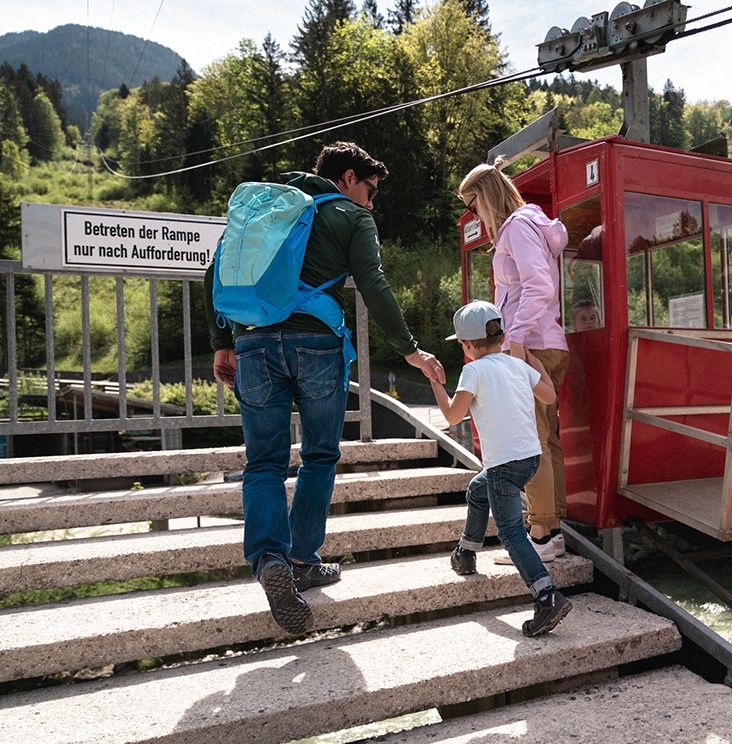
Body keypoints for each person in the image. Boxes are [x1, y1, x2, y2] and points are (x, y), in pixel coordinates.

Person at [204, 141, 445, 635]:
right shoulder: (350, 218)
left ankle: (269, 560)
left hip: (253, 344)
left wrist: (222, 344)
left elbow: (214, 271)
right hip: (316, 345)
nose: (371, 201)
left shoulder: (264, 209)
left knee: (264, 460)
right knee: (318, 454)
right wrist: (410, 350)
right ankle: (301, 560)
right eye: (370, 190)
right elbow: (373, 286)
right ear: (348, 177)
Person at [433, 300, 572, 637]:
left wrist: (435, 382)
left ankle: (546, 595)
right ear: (503, 335)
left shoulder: (474, 371)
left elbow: (452, 417)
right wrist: (532, 362)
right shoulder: (516, 366)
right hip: (530, 459)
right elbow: (550, 397)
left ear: (466, 346)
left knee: (511, 533)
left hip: (504, 467)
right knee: (477, 491)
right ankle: (466, 552)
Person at [457, 162, 569, 563]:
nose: (474, 216)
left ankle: (540, 534)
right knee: (547, 439)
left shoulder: (517, 228)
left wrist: (516, 340)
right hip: (547, 342)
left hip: (532, 343)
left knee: (532, 442)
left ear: (485, 197)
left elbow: (539, 285)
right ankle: (552, 529)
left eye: (472, 207)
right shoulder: (530, 225)